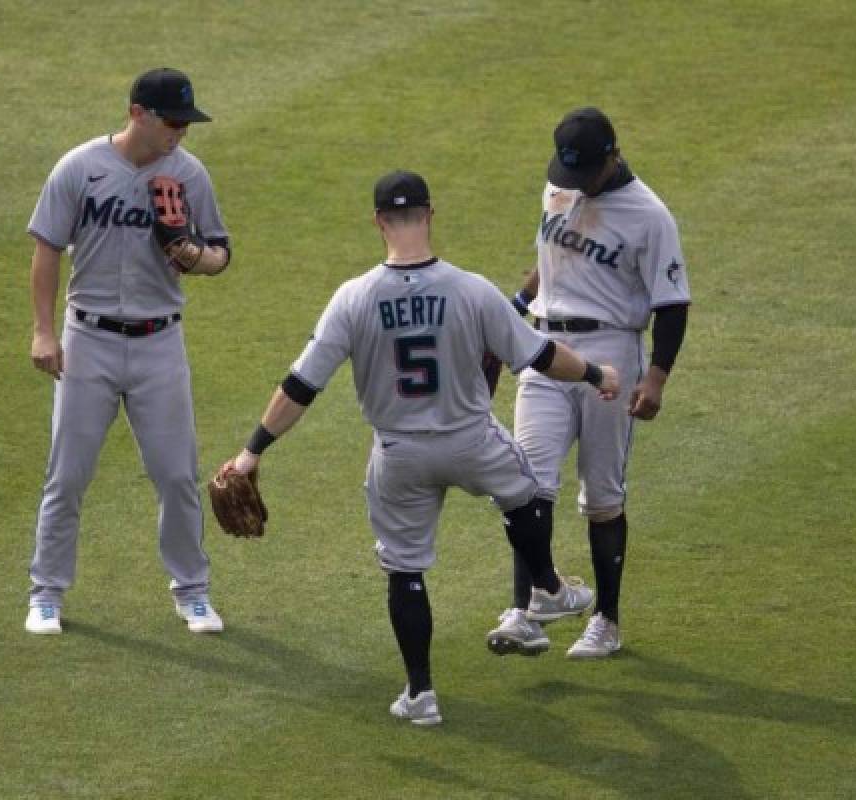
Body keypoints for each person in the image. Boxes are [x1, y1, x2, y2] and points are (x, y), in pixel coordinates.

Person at [218, 170, 622, 725]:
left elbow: (301, 386)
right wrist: (597, 372)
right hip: (471, 440)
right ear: (430, 214)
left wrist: (252, 451)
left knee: (405, 571)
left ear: (378, 221)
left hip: (399, 454)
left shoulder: (353, 298)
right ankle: (548, 588)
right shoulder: (472, 289)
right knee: (524, 494)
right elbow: (540, 355)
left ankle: (421, 695)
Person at [24, 67, 232, 635]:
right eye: (173, 122)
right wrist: (45, 332)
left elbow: (221, 252)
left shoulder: (189, 176)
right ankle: (46, 594)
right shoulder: (81, 168)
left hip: (159, 342)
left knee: (175, 475)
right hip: (86, 339)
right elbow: (46, 247)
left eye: (187, 123)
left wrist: (192, 254)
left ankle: (192, 592)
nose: (181, 134)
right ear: (137, 113)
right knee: (67, 475)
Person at [486, 107, 691, 659]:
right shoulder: (559, 186)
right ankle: (530, 605)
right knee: (523, 484)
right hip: (546, 349)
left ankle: (606, 619)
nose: (572, 184)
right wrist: (514, 309)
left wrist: (658, 378)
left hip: (612, 352)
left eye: (584, 175)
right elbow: (549, 257)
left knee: (601, 497)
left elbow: (672, 303)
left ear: (612, 157)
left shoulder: (650, 216)